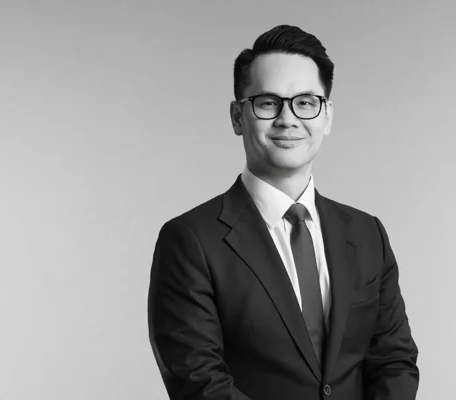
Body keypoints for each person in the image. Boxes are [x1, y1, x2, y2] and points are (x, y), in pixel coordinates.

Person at [148, 24, 419, 400]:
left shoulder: (367, 233)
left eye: (306, 102)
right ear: (237, 116)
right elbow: (199, 381)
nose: (288, 119)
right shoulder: (190, 240)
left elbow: (394, 361)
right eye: (267, 102)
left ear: (327, 116)